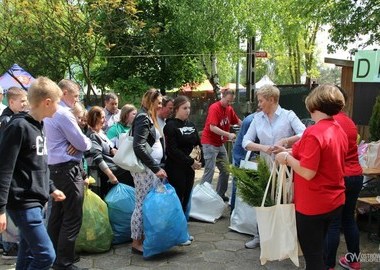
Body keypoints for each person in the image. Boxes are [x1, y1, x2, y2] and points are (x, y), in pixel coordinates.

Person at [275, 84, 348, 270]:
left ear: (314, 104)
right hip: (334, 201)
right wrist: (291, 152)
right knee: (320, 250)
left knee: (313, 257)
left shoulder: (314, 132)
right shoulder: (338, 129)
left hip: (312, 205)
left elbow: (308, 172)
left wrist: (286, 158)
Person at [0, 76, 66, 270]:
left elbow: (39, 164)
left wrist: (51, 188)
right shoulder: (18, 126)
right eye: (57, 103)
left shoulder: (40, 126)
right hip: (22, 203)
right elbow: (4, 168)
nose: (58, 108)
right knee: (46, 255)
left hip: (37, 201)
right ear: (47, 102)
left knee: (28, 252)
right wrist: (0, 209)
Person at [242, 84, 305, 249]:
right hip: (264, 166)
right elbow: (245, 142)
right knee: (262, 200)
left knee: (284, 200)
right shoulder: (257, 118)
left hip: (285, 166)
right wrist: (263, 147)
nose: (259, 104)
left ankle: (283, 237)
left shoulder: (288, 115)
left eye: (261, 101)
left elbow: (304, 133)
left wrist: (285, 141)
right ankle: (260, 236)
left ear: (272, 100)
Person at [44, 79, 92, 270]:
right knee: (71, 217)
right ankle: (64, 262)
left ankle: (54, 257)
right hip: (67, 170)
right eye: (75, 96)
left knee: (57, 216)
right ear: (64, 93)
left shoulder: (50, 113)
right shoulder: (63, 114)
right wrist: (83, 144)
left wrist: (78, 145)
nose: (76, 99)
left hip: (55, 170)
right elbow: (82, 143)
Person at [324, 88, 363, 270]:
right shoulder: (350, 122)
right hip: (356, 176)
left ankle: (328, 265)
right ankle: (354, 261)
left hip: (339, 178)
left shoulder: (330, 122)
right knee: (349, 219)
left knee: (333, 223)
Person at [130, 89, 167, 254]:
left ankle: (143, 238)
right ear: (150, 101)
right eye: (158, 103)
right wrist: (155, 168)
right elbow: (138, 146)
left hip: (149, 168)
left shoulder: (149, 117)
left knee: (147, 204)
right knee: (141, 204)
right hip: (145, 169)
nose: (160, 106)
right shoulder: (143, 118)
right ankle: (136, 242)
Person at [164, 95, 203, 220]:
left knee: (186, 196)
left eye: (189, 108)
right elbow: (172, 150)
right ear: (176, 109)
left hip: (190, 168)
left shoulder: (191, 124)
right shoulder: (170, 126)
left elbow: (197, 143)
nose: (188, 110)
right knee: (178, 197)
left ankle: (183, 225)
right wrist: (190, 161)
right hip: (176, 168)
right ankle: (176, 228)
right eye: (184, 108)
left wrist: (200, 160)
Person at [0, 86, 28, 259]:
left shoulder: (16, 118)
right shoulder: (6, 120)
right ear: (11, 102)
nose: (25, 104)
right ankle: (9, 246)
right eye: (22, 101)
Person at [200, 89, 242, 201]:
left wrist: (248, 125)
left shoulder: (229, 109)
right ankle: (202, 197)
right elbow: (212, 127)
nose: (229, 103)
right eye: (228, 101)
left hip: (219, 143)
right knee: (210, 169)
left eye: (231, 101)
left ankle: (220, 195)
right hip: (209, 142)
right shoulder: (215, 108)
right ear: (222, 97)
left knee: (226, 169)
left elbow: (237, 121)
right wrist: (228, 134)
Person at [85, 106, 134, 198]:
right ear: (95, 118)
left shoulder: (101, 132)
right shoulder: (92, 136)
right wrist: (111, 176)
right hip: (104, 176)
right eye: (102, 117)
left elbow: (109, 148)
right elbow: (98, 159)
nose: (105, 120)